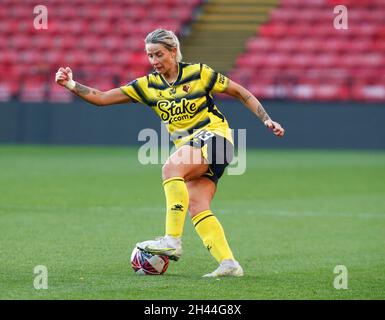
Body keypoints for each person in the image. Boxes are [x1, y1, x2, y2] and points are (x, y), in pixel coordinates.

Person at [55, 28, 285, 277]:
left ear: (173, 51)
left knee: (170, 168)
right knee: (197, 205)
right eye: (150, 56)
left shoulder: (199, 73)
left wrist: (266, 119)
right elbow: (101, 98)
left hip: (216, 138)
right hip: (196, 149)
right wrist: (70, 84)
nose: (154, 61)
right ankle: (229, 264)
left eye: (158, 54)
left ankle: (172, 241)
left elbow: (240, 92)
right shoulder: (148, 85)